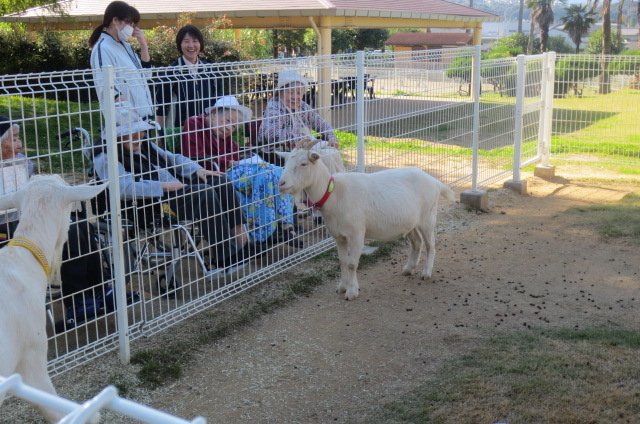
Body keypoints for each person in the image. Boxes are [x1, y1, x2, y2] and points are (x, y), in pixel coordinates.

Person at [93, 110, 258, 268]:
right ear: (117, 136)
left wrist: (197, 169)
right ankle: (227, 256)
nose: (139, 137)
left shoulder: (143, 145)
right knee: (203, 193)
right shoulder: (105, 157)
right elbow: (123, 188)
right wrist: (164, 186)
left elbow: (173, 158)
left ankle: (241, 242)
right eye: (132, 134)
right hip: (153, 201)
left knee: (219, 180)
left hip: (174, 189)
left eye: (140, 132)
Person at [182, 96, 299, 246]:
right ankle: (273, 230)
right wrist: (229, 162)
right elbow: (194, 158)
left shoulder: (224, 135)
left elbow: (234, 151)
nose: (230, 128)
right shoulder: (193, 124)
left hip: (227, 173)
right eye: (228, 121)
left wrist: (237, 159)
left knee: (276, 173)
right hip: (210, 175)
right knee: (266, 174)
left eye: (235, 126)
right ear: (213, 114)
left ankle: (278, 228)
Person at [154, 25, 227, 137]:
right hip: (180, 132)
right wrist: (160, 135)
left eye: (195, 41)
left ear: (200, 44)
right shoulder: (170, 73)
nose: (191, 45)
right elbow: (161, 107)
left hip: (208, 131)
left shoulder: (210, 71)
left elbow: (218, 101)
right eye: (186, 41)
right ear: (180, 45)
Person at [256, 69, 339, 167]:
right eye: (290, 92)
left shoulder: (303, 107)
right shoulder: (274, 107)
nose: (295, 97)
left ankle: (334, 180)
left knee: (331, 153)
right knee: (323, 159)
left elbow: (320, 123)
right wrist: (302, 140)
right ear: (280, 93)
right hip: (276, 154)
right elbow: (271, 134)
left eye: (299, 93)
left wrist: (332, 137)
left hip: (299, 151)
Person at [89, 1, 155, 120]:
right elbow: (106, 86)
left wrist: (144, 46)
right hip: (127, 122)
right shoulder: (103, 47)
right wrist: (130, 116)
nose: (131, 27)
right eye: (129, 22)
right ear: (115, 20)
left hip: (145, 116)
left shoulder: (126, 46)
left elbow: (147, 75)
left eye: (133, 24)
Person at [0, 116, 34, 242]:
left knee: (81, 227)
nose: (20, 145)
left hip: (26, 220)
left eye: (18, 138)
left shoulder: (23, 162)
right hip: (7, 229)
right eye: (14, 139)